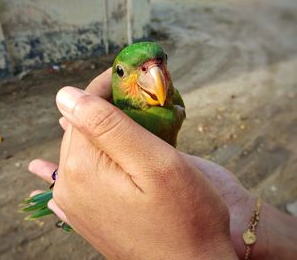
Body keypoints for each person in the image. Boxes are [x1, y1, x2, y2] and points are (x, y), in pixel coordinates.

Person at [28, 69, 297, 259]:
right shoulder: (121, 109)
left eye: (160, 63)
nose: (153, 76)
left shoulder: (173, 103)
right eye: (123, 72)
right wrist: (252, 222)